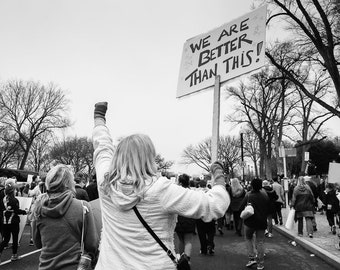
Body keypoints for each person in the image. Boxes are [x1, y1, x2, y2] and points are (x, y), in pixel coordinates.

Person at [92, 102, 229, 270]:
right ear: (149, 157)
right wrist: (219, 175)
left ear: (118, 156)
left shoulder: (106, 183)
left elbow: (102, 147)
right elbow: (215, 205)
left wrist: (99, 119)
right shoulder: (160, 189)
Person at [31, 164, 98, 270]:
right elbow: (92, 245)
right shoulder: (83, 206)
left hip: (45, 266)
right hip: (74, 266)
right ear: (68, 183)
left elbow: (38, 244)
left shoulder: (39, 207)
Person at [240, 178, 269, 270]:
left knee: (248, 238)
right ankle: (260, 263)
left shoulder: (248, 195)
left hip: (250, 221)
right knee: (260, 241)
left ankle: (251, 258)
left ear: (251, 185)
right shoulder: (265, 195)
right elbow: (268, 208)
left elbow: (241, 206)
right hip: (262, 221)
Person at [0, 178, 28, 262]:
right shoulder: (15, 200)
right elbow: (16, 211)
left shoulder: (2, 200)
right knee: (15, 239)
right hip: (14, 222)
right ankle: (14, 255)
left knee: (6, 240)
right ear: (12, 191)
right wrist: (25, 211)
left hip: (5, 222)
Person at [174, 174, 196, 268]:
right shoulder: (192, 193)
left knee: (181, 240)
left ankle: (180, 259)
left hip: (179, 218)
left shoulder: (176, 193)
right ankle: (186, 260)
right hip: (189, 218)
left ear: (180, 182)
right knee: (188, 240)